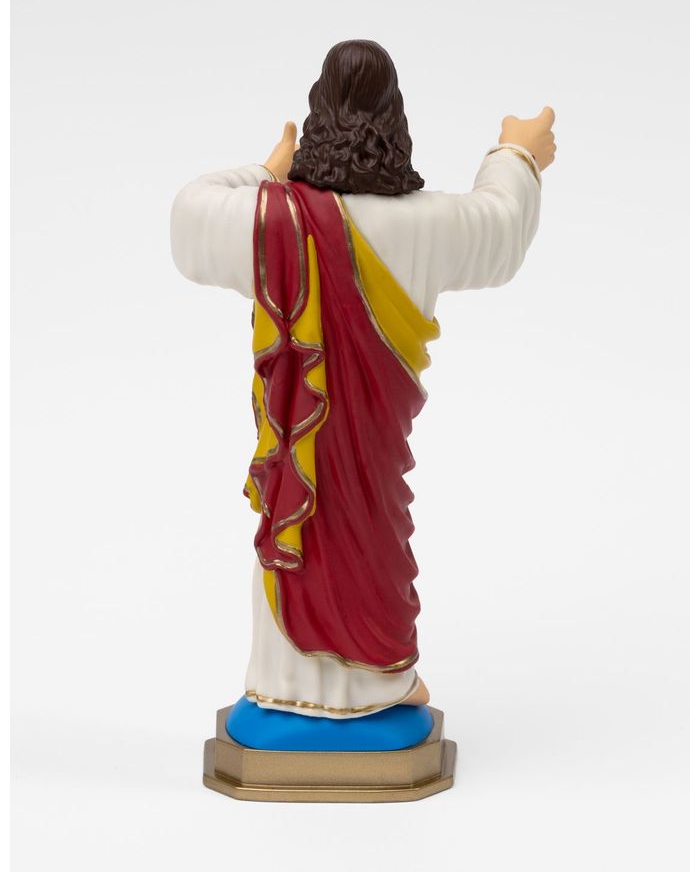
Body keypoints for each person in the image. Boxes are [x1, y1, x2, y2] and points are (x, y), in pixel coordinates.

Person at [171, 39, 556, 721]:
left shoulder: (274, 219)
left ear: (318, 114)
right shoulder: (427, 223)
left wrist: (265, 172)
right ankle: (378, 685)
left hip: (308, 454)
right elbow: (500, 226)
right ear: (395, 120)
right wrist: (515, 153)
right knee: (372, 542)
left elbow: (190, 215)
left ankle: (287, 686)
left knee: (304, 530)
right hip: (374, 461)